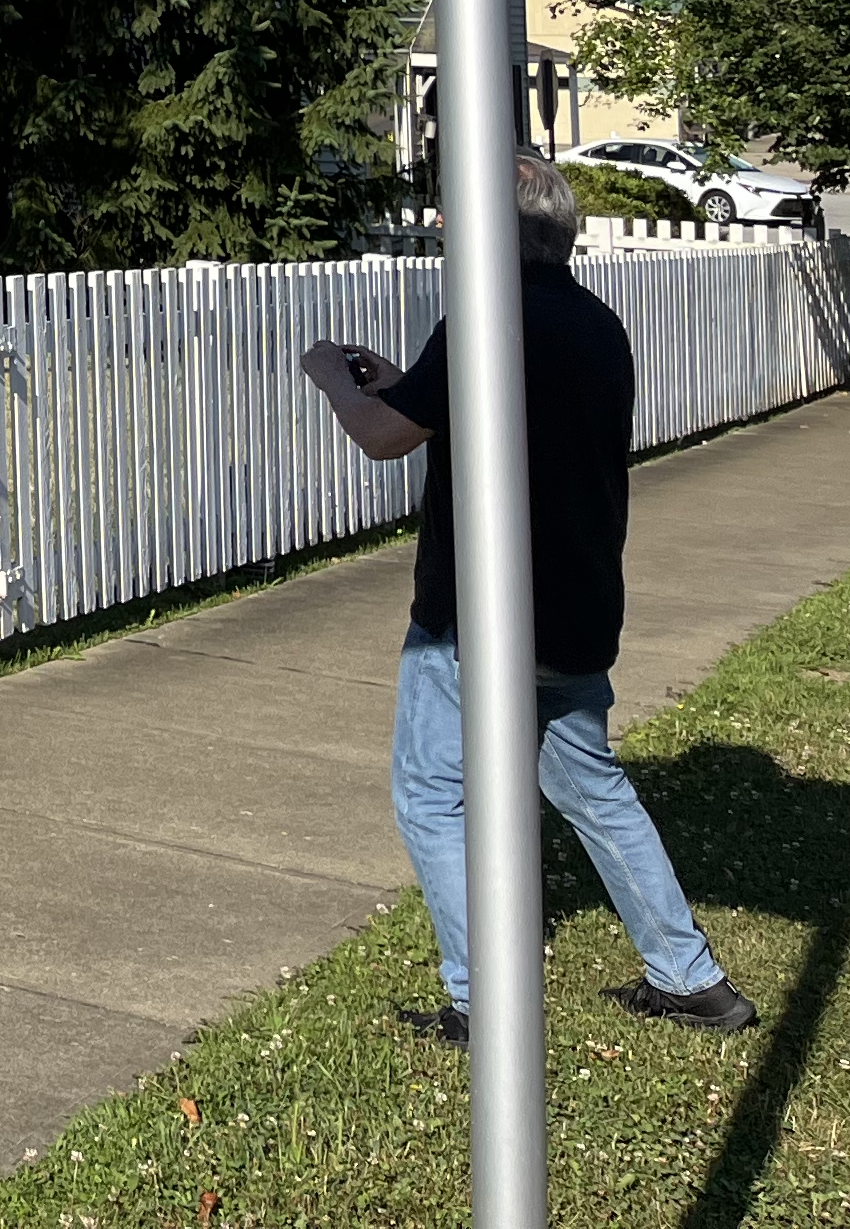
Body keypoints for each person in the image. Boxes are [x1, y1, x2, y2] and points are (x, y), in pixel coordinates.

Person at [299, 153, 754, 1045]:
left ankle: (484, 1000)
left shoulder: (485, 315)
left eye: (454, 216)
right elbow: (468, 412)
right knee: (592, 789)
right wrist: (401, 376)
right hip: (577, 606)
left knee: (432, 793)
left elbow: (390, 437)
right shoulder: (593, 322)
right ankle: (691, 978)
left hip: (481, 620)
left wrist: (330, 376)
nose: (443, 232)